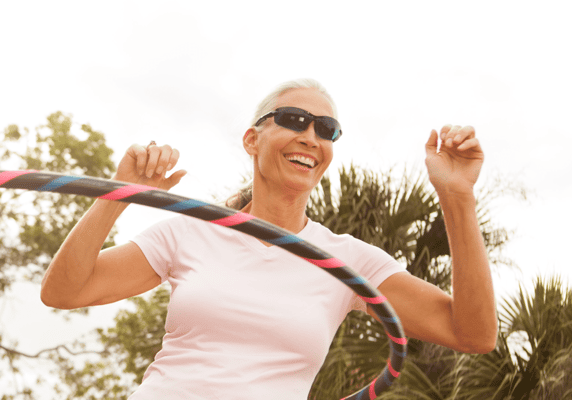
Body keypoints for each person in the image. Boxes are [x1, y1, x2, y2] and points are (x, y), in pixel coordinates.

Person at [40, 78, 497, 399]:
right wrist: (119, 195)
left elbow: (472, 333)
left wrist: (457, 198)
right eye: (294, 119)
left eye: (326, 129)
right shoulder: (189, 231)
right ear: (251, 139)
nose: (310, 136)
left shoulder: (345, 261)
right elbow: (65, 291)